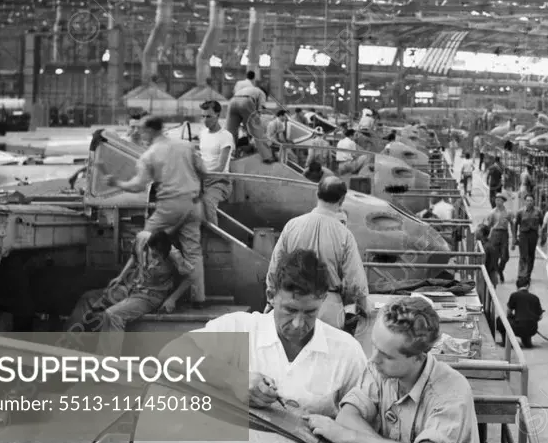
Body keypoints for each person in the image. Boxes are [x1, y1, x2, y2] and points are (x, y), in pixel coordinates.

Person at [305, 297, 491, 443]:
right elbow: (348, 415)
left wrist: (345, 437)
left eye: (386, 355)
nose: (373, 359)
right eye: (374, 346)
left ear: (418, 357)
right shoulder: (380, 369)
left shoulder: (451, 391)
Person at [170, 248, 367, 417]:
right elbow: (172, 353)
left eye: (310, 312)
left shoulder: (346, 351)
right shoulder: (240, 328)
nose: (298, 324)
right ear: (271, 296)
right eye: (289, 310)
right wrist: (234, 379)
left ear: (323, 300)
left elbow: (364, 417)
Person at [104, 115, 207, 306]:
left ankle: (129, 288)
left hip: (169, 206)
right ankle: (198, 298)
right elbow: (204, 171)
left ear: (150, 131)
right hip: (193, 204)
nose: (140, 133)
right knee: (193, 251)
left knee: (143, 241)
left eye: (142, 130)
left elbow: (137, 185)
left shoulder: (150, 155)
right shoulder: (185, 146)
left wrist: (116, 182)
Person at [266, 176, 369, 331]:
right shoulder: (344, 234)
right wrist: (364, 307)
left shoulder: (292, 226)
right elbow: (356, 282)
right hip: (328, 306)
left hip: (292, 302)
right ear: (342, 200)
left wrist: (271, 301)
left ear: (317, 194)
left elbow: (275, 268)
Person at [67, 231, 190, 355]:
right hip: (131, 287)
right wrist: (121, 276)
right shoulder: (142, 238)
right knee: (88, 298)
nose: (156, 259)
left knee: (113, 315)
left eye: (161, 257)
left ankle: (108, 364)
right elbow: (134, 256)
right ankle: (67, 346)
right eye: (154, 255)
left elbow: (190, 278)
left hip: (150, 296)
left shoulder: (174, 255)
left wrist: (172, 299)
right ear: (148, 246)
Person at [197, 101, 235, 225]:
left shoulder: (225, 136)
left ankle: (214, 238)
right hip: (203, 180)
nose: (205, 120)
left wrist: (203, 175)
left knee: (208, 202)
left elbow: (220, 167)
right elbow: (202, 157)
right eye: (202, 116)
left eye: (208, 116)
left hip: (219, 182)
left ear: (218, 115)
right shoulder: (202, 134)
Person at [499, 276, 543, 348]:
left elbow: (509, 312)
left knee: (500, 320)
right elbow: (540, 316)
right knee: (526, 322)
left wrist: (513, 316)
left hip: (518, 327)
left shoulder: (514, 295)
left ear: (517, 286)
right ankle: (526, 340)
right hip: (532, 328)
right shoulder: (535, 297)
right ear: (528, 285)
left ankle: (506, 342)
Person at [227, 72, 267, 142]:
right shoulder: (262, 93)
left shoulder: (249, 88)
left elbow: (234, 92)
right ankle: (253, 145)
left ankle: (232, 149)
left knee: (231, 131)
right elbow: (260, 109)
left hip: (232, 101)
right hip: (246, 101)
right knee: (252, 128)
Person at [482, 193, 513, 285]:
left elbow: (512, 223)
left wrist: (514, 237)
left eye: (499, 200)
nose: (497, 202)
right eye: (496, 200)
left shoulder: (508, 212)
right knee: (494, 255)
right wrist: (486, 237)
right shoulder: (492, 213)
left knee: (505, 256)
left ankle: (500, 269)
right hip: (495, 233)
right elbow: (488, 226)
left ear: (503, 201)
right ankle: (495, 272)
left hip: (504, 234)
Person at [513, 193, 543, 280]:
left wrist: (543, 236)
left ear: (534, 202)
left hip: (533, 235)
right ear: (524, 201)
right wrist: (514, 238)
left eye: (531, 200)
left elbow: (542, 224)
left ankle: (528, 274)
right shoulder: (520, 212)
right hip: (523, 235)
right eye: (528, 200)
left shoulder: (538, 212)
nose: (529, 202)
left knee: (531, 255)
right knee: (523, 255)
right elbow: (515, 225)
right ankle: (521, 273)